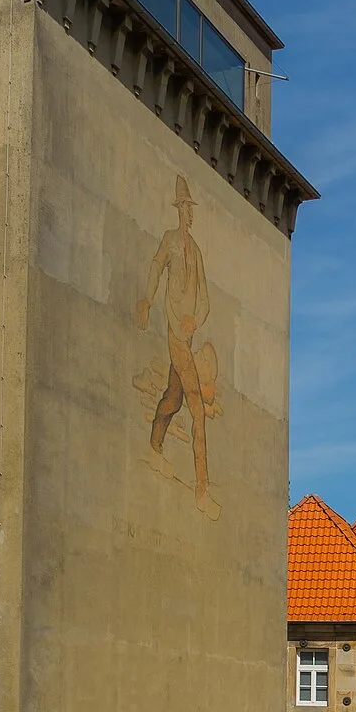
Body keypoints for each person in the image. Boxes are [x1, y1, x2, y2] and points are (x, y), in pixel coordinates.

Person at [135, 175, 219, 519]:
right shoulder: (170, 241)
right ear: (178, 210)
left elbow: (206, 300)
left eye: (192, 209)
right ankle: (202, 491)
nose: (190, 214)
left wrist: (194, 321)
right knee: (198, 411)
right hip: (174, 336)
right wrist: (147, 300)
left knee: (173, 398)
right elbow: (156, 268)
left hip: (187, 334)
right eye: (186, 208)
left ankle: (155, 445)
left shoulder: (196, 252)